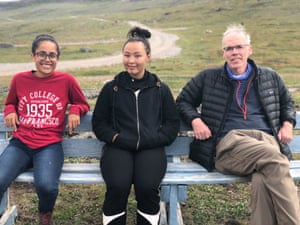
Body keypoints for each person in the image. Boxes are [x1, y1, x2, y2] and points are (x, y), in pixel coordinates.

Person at [176, 24, 300, 225]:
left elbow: (287, 102)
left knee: (262, 178)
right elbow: (182, 101)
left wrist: (287, 123)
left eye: (239, 47)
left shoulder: (269, 76)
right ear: (223, 53)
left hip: (266, 141)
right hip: (229, 145)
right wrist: (195, 120)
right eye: (229, 49)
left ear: (249, 49)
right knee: (276, 160)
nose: (234, 52)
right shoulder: (208, 77)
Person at [92, 27, 180, 225]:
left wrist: (153, 139)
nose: (131, 60)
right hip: (119, 147)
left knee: (147, 186)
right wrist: (116, 138)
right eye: (127, 55)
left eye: (137, 55)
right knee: (117, 185)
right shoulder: (111, 88)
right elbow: (99, 123)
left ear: (148, 57)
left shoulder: (160, 89)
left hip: (151, 148)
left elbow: (172, 124)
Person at [0, 34, 90, 225]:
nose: (47, 59)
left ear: (57, 58)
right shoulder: (19, 79)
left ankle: (45, 217)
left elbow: (82, 103)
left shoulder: (66, 80)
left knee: (47, 186)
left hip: (49, 146)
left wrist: (74, 110)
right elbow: (10, 103)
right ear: (33, 56)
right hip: (21, 143)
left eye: (52, 55)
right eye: (42, 54)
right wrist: (9, 110)